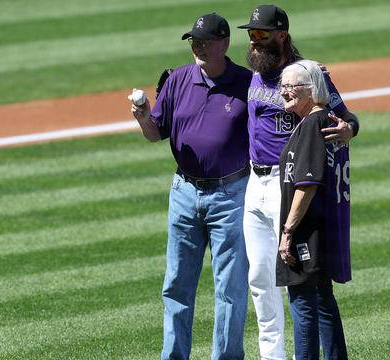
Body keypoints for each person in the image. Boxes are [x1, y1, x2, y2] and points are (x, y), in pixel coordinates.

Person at [237, 5, 359, 360]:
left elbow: (345, 115)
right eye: (251, 35)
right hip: (254, 182)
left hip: (289, 182)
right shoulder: (256, 71)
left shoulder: (306, 75)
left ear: (281, 35)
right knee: (260, 280)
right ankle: (272, 356)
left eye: (261, 34)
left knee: (302, 284)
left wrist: (349, 128)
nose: (254, 42)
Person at [131, 13, 251, 360]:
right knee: (177, 286)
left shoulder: (246, 84)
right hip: (184, 193)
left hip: (230, 196)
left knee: (230, 289)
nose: (197, 46)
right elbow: (156, 132)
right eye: (193, 40)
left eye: (204, 41)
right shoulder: (178, 80)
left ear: (225, 43)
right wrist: (143, 117)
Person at [277, 59, 351, 359]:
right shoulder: (320, 121)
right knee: (321, 300)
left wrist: (287, 232)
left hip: (306, 231)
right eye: (282, 87)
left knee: (304, 305)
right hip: (318, 229)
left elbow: (307, 184)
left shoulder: (312, 125)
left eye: (291, 87)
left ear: (311, 90)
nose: (284, 93)